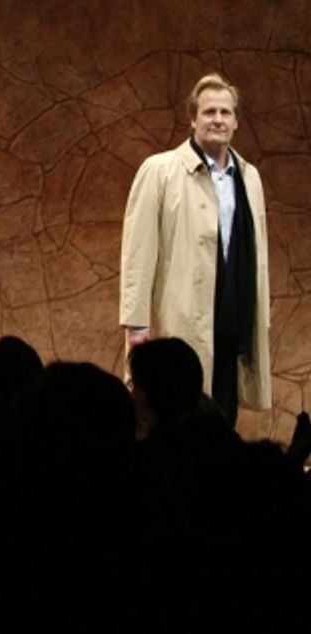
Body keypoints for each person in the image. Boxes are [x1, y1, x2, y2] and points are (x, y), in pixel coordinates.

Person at [119, 73, 271, 426]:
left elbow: (257, 256)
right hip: (185, 314)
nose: (217, 119)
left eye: (225, 112)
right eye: (208, 112)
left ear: (236, 121)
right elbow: (137, 254)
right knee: (179, 412)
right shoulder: (160, 171)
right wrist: (136, 326)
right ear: (193, 118)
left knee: (223, 414)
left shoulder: (248, 177)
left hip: (233, 317)